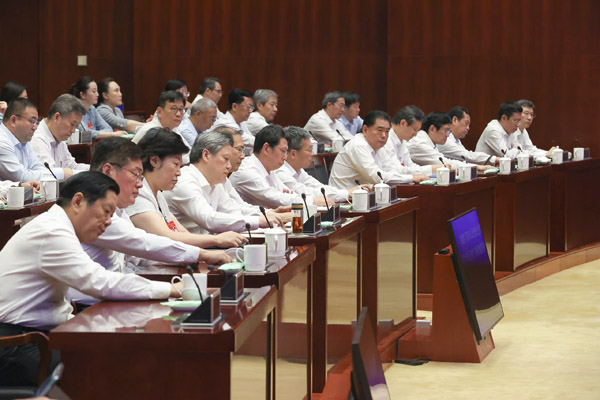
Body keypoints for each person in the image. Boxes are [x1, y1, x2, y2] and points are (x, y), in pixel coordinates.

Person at [0, 171, 181, 386]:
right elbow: (99, 282)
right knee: (111, 369)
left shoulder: (57, 226)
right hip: (14, 345)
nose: (108, 222)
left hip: (37, 336)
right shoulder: (52, 232)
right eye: (106, 211)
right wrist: (172, 290)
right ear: (78, 201)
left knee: (123, 356)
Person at [126, 127, 246, 248]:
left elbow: (181, 233)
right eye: (175, 164)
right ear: (154, 161)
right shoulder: (138, 194)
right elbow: (167, 237)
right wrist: (216, 240)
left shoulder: (158, 195)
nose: (179, 172)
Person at [165, 131, 284, 234]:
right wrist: (258, 221)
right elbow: (209, 219)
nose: (229, 166)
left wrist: (267, 216)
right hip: (190, 248)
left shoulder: (215, 182)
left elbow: (234, 212)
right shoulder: (184, 181)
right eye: (226, 159)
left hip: (207, 245)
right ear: (206, 155)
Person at [230, 125, 329, 208]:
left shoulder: (270, 170)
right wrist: (312, 201)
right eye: (283, 151)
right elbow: (278, 199)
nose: (285, 157)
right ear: (266, 148)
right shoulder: (247, 172)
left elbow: (288, 194)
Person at [329, 110, 428, 189]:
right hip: (343, 201)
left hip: (364, 196)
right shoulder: (358, 145)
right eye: (379, 130)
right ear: (365, 130)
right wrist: (411, 178)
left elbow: (393, 170)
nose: (384, 135)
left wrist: (419, 175)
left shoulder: (380, 147)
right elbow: (377, 177)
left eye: (387, 131)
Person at [215, 126, 291, 221]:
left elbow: (240, 206)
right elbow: (229, 213)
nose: (243, 156)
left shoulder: (224, 179)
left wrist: (271, 213)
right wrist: (273, 216)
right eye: (239, 150)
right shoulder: (246, 171)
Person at [276, 126, 361, 203]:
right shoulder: (280, 172)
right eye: (309, 150)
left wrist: (347, 192)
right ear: (293, 154)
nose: (312, 154)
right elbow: (307, 193)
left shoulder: (299, 170)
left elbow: (320, 188)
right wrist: (347, 193)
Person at [0, 98, 71, 181]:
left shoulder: (23, 140)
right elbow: (21, 177)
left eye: (36, 122)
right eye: (32, 121)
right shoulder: (2, 142)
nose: (35, 127)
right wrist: (62, 173)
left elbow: (38, 167)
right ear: (13, 120)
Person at [31, 94, 90, 172]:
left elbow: (72, 166)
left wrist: (97, 169)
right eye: (72, 124)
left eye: (76, 126)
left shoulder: (59, 137)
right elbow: (51, 174)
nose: (73, 131)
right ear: (57, 117)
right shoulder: (37, 138)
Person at [132, 91, 191, 162]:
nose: (178, 114)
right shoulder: (151, 131)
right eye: (173, 109)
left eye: (181, 109)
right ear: (159, 112)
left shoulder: (173, 128)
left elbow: (187, 154)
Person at [384, 105, 443, 176]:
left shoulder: (402, 141)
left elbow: (410, 166)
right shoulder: (386, 140)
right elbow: (397, 171)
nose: (415, 135)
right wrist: (431, 169)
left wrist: (431, 170)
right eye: (415, 130)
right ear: (403, 123)